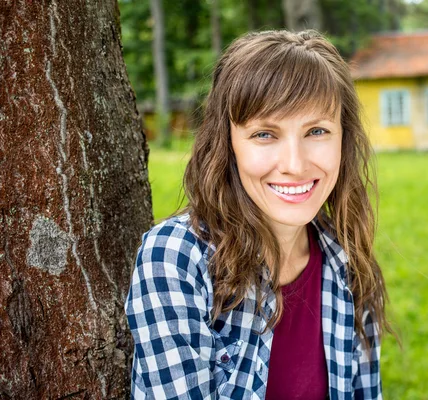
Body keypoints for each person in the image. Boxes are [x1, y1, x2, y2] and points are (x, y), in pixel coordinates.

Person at [125, 29, 393, 400]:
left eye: (316, 131)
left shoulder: (345, 260)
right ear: (227, 143)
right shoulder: (175, 260)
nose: (295, 165)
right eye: (265, 134)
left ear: (343, 140)